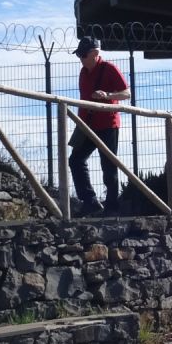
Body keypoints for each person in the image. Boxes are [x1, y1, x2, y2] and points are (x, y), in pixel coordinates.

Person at [70, 36, 128, 215]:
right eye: (79, 55)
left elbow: (126, 93)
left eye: (83, 55)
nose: (80, 58)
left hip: (107, 124)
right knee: (76, 160)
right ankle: (90, 201)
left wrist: (107, 95)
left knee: (109, 166)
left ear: (95, 54)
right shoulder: (83, 72)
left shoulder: (109, 69)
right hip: (86, 124)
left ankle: (111, 206)